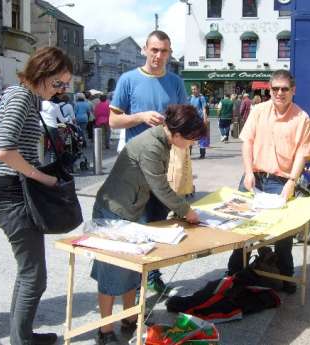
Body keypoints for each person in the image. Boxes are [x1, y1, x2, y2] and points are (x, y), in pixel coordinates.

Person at [91, 104, 206, 344]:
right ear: (176, 134)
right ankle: (104, 331)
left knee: (134, 269)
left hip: (132, 209)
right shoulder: (152, 146)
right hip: (114, 211)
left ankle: (130, 319)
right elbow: (160, 187)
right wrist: (188, 211)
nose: (192, 143)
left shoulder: (163, 140)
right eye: (191, 139)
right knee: (112, 273)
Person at [0, 47, 72, 345]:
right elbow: (5, 151)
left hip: (16, 192)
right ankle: (22, 341)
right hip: (11, 194)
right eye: (59, 83)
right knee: (34, 276)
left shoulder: (29, 97)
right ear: (43, 73)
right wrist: (43, 177)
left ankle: (21, 336)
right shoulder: (21, 96)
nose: (62, 90)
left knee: (28, 274)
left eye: (65, 85)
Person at [109, 30, 188, 293]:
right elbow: (113, 121)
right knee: (138, 225)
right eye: (154, 50)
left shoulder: (175, 82)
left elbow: (184, 121)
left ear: (170, 53)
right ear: (144, 50)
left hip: (164, 165)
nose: (158, 56)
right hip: (134, 168)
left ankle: (152, 274)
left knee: (157, 223)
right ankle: (135, 279)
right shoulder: (128, 80)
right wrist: (140, 117)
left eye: (164, 51)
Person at [227, 69, 310, 294]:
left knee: (283, 235)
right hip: (253, 177)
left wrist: (291, 182)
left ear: (293, 90)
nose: (279, 93)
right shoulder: (258, 111)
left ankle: (286, 276)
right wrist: (247, 172)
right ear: (269, 89)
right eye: (275, 88)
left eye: (284, 89)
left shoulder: (302, 118)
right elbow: (247, 142)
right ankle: (234, 273)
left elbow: (302, 154)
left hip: (281, 181)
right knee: (240, 228)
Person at [189, 84, 209, 158]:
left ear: (198, 89)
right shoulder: (190, 98)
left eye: (195, 89)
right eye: (192, 89)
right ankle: (189, 153)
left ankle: (202, 153)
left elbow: (204, 109)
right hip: (192, 120)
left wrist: (205, 118)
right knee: (190, 136)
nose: (193, 91)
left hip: (199, 120)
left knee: (201, 136)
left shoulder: (201, 98)